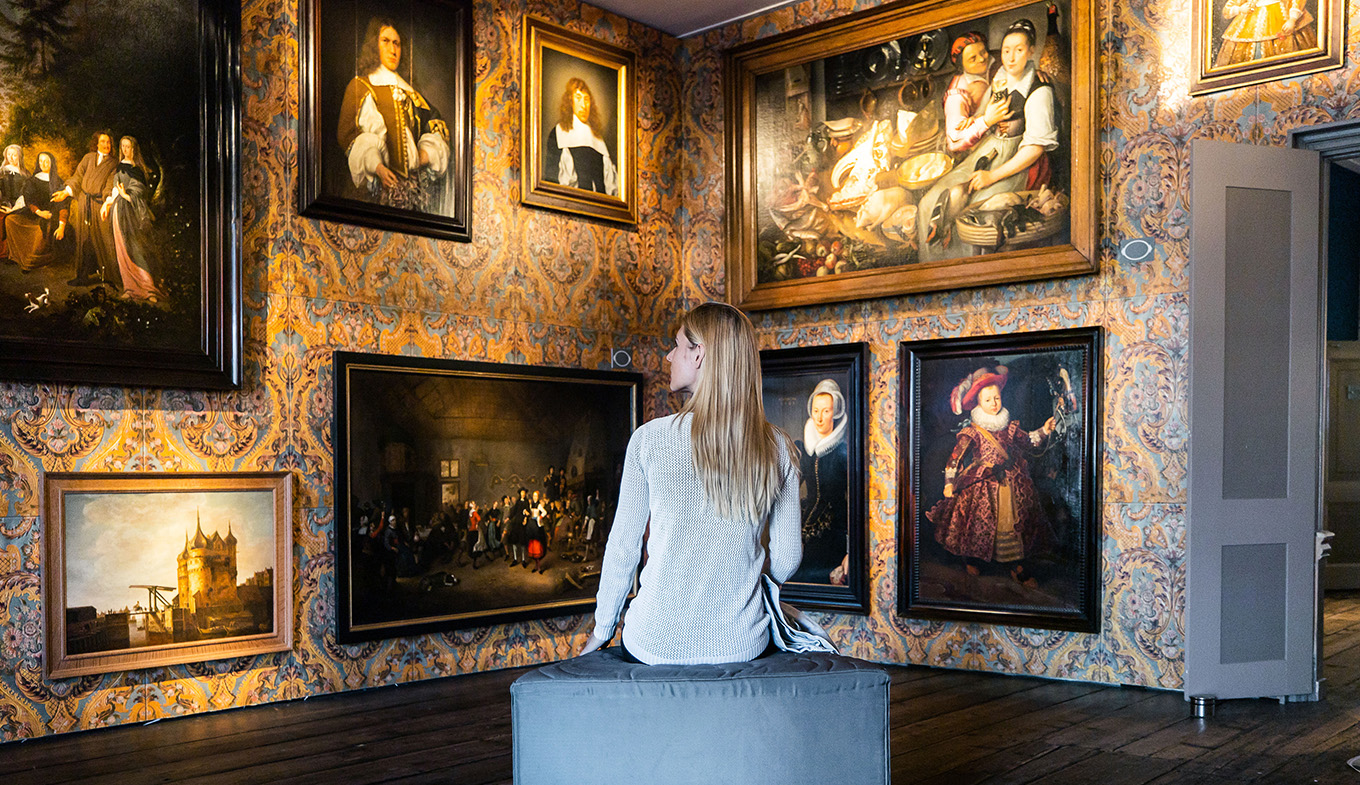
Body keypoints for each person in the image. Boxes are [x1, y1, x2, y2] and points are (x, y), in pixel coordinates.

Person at [579, 301, 802, 665]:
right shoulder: (778, 445)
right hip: (740, 643)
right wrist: (740, 584)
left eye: (678, 345)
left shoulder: (649, 439)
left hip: (652, 641)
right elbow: (788, 558)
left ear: (699, 354)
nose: (669, 356)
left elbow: (623, 548)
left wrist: (602, 632)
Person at [917, 18, 1059, 259]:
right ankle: (932, 272)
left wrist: (991, 176)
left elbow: (1034, 149)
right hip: (988, 150)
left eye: (1019, 50)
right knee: (930, 201)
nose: (1011, 57)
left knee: (972, 213)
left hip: (1019, 161)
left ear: (1031, 51)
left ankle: (965, 274)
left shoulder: (1039, 89)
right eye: (1006, 51)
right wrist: (983, 119)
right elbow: (982, 117)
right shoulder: (1000, 75)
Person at [925, 366, 1056, 587]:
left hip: (1013, 483)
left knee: (1014, 524)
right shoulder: (972, 431)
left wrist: (1044, 430)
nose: (994, 403)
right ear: (978, 403)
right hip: (982, 484)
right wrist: (949, 483)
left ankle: (1017, 566)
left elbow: (1029, 441)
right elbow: (954, 459)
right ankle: (972, 558)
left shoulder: (1010, 427)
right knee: (978, 524)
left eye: (996, 397)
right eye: (988, 400)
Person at [338, 17, 450, 212]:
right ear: (374, 45)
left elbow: (435, 126)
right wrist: (378, 168)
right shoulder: (361, 87)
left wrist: (424, 156)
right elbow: (349, 135)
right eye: (386, 41)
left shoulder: (412, 93)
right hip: (375, 187)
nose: (393, 50)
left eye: (397, 43)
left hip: (412, 190)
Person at [793, 378, 849, 584]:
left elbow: (856, 503)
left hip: (836, 529)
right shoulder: (802, 448)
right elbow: (789, 488)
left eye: (826, 411)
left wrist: (851, 551)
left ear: (835, 413)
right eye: (816, 410)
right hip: (805, 520)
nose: (819, 417)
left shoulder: (844, 452)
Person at [100, 136, 160, 302]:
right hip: (118, 212)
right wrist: (107, 204)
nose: (125, 150)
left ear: (134, 149)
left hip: (133, 212)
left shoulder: (138, 170)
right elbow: (114, 189)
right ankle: (130, 287)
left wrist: (127, 195)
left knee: (136, 247)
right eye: (123, 147)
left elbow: (140, 191)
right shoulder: (120, 167)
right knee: (122, 249)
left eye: (128, 147)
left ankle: (149, 289)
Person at [60, 131, 119, 287]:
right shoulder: (88, 158)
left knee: (105, 239)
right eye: (103, 141)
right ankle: (82, 276)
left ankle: (110, 276)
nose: (106, 145)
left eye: (109, 142)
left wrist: (107, 202)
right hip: (83, 201)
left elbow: (110, 184)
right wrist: (66, 192)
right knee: (83, 239)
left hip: (99, 204)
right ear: (97, 143)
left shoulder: (114, 163)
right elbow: (77, 177)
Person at [544, 77, 617, 196]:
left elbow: (610, 186)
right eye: (578, 98)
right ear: (570, 101)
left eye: (586, 99)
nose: (583, 105)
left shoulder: (598, 138)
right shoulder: (558, 133)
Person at [6, 151, 69, 271]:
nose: (43, 164)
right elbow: (29, 200)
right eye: (40, 161)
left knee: (40, 232)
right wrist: (39, 212)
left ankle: (30, 262)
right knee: (10, 220)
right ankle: (17, 256)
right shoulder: (32, 180)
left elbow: (63, 206)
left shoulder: (57, 181)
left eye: (46, 161)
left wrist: (61, 226)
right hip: (35, 213)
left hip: (50, 215)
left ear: (52, 163)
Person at [1215, 0, 1318, 67]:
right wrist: (1240, 9)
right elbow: (1227, 9)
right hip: (1250, 21)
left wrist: (1292, 19)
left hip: (1280, 17)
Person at [943, 32, 995, 156]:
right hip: (979, 151)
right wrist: (986, 121)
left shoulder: (995, 61)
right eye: (973, 58)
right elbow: (954, 141)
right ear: (962, 65)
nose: (982, 59)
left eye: (983, 52)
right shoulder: (956, 95)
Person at [0, 144, 30, 260]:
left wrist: (15, 208)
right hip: (3, 204)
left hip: (19, 206)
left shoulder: (25, 174)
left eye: (14, 155)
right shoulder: (1, 172)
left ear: (19, 157)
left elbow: (25, 194)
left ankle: (13, 254)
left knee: (13, 220)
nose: (11, 158)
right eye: (9, 155)